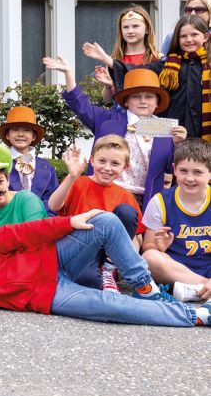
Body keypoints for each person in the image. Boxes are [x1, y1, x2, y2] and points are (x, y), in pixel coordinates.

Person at [0, 207, 211, 328]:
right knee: (114, 306)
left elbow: (20, 233)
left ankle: (146, 288)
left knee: (106, 221)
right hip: (48, 294)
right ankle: (196, 315)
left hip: (52, 258)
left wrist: (68, 222)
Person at [44, 56, 185, 208]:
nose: (143, 101)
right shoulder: (108, 120)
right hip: (105, 192)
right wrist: (68, 73)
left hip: (146, 199)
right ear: (125, 101)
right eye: (136, 96)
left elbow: (172, 167)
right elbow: (81, 105)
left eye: (149, 97)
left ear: (157, 102)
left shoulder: (165, 129)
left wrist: (178, 144)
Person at [85, 15, 211, 141]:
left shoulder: (209, 66)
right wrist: (106, 59)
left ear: (205, 36)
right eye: (183, 36)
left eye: (194, 35)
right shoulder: (167, 65)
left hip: (204, 134)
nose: (189, 39)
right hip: (170, 135)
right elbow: (137, 72)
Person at [48, 135, 144, 292]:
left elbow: (135, 238)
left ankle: (109, 269)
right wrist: (72, 176)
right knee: (90, 282)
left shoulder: (125, 196)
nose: (107, 168)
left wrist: (125, 262)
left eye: (115, 163)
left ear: (125, 167)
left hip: (108, 255)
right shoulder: (78, 183)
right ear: (92, 161)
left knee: (126, 212)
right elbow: (53, 204)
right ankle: (94, 276)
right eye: (102, 161)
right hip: (80, 250)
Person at [141, 138, 211, 302]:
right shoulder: (160, 202)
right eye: (184, 171)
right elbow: (147, 247)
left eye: (197, 172)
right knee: (150, 257)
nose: (190, 178)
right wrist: (159, 247)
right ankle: (203, 288)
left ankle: (195, 291)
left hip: (208, 264)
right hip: (177, 267)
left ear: (209, 173)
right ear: (175, 169)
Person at [0, 97, 59, 211]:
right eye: (15, 129)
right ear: (7, 135)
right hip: (9, 221)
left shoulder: (46, 167)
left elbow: (53, 202)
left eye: (26, 130)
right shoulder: (0, 163)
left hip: (40, 222)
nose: (21, 134)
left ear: (34, 136)